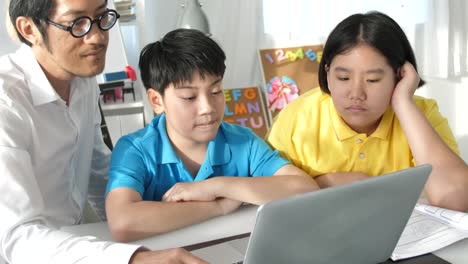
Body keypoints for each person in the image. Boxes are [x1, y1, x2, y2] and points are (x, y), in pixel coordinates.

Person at [0, 0, 207, 263]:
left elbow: (97, 170)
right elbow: (15, 237)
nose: (97, 37)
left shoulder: (82, 80)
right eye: (77, 24)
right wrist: (133, 259)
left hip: (74, 246)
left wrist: (161, 212)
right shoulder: (6, 103)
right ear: (29, 30)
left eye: (101, 17)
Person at [105, 28, 320, 242]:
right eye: (189, 97)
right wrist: (218, 206)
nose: (207, 107)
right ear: (156, 101)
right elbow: (123, 222)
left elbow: (305, 189)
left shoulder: (243, 142)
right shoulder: (135, 150)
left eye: (216, 91)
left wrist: (216, 186)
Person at [266, 11, 468, 212]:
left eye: (372, 80)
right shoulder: (295, 119)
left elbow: (458, 201)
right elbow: (263, 196)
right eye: (343, 78)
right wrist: (324, 183)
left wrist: (403, 104)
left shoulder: (420, 114)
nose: (356, 94)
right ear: (327, 73)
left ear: (399, 76)